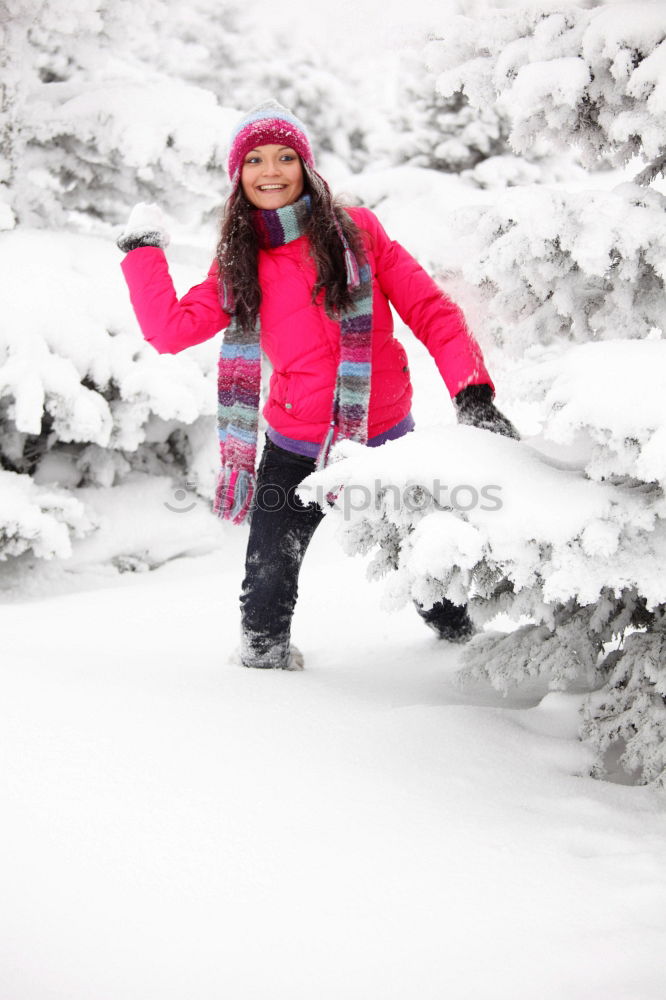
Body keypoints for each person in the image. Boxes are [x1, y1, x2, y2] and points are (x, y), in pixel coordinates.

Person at [117, 100, 518, 671]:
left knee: (432, 572)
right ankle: (265, 695)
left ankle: (460, 653)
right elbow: (169, 330)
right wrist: (143, 250)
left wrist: (472, 393)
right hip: (296, 447)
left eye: (285, 156)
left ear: (306, 165)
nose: (271, 170)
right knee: (265, 597)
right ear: (239, 176)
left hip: (385, 438)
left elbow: (432, 310)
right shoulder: (239, 263)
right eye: (254, 159)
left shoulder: (361, 233)